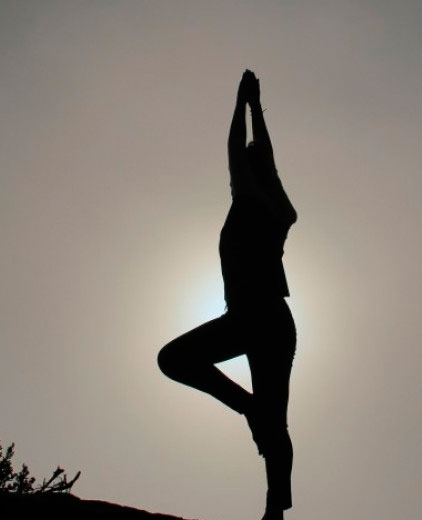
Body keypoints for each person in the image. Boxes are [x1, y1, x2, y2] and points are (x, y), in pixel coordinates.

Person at [158, 69, 298, 519]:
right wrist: (257, 108)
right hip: (275, 321)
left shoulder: (252, 200)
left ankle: (249, 410)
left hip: (252, 317)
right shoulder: (280, 209)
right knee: (275, 422)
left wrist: (242, 105)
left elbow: (239, 152)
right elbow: (265, 157)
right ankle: (276, 510)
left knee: (173, 359)